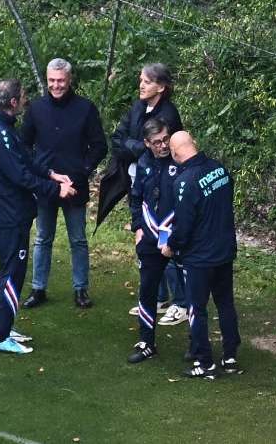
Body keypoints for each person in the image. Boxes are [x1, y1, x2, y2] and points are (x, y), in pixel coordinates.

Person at [0, 79, 76, 354]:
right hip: (9, 215)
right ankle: (1, 336)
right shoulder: (0, 134)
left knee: (9, 271)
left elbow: (24, 157)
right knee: (12, 273)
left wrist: (50, 174)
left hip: (7, 211)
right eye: (22, 96)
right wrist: (56, 190)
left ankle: (2, 327)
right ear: (13, 102)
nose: (25, 99)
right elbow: (20, 175)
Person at [20, 59, 107, 309]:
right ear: (46, 80)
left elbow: (99, 145)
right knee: (42, 238)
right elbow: (23, 145)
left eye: (60, 81)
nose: (56, 85)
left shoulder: (85, 108)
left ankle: (81, 289)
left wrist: (83, 170)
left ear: (69, 80)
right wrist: (41, 172)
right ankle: (38, 288)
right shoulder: (36, 109)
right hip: (45, 184)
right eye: (52, 80)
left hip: (75, 184)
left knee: (78, 239)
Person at [162, 131, 241, 379]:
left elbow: (183, 224)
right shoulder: (220, 169)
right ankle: (230, 356)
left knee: (197, 309)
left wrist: (171, 245)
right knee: (225, 304)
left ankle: (205, 362)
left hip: (200, 257)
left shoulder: (185, 181)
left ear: (175, 153)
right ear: (193, 143)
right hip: (224, 251)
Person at [109, 63, 185, 319]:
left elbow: (161, 150)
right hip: (139, 181)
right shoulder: (138, 107)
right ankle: (158, 296)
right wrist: (139, 148)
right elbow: (117, 139)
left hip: (163, 185)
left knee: (165, 239)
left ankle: (181, 302)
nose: (141, 85)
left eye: (147, 81)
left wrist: (136, 147)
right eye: (141, 80)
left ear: (161, 87)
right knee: (145, 238)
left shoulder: (168, 114)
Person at [127, 118, 185, 363]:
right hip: (150, 236)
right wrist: (138, 227)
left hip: (177, 235)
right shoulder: (143, 162)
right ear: (147, 143)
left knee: (193, 291)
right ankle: (146, 342)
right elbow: (136, 196)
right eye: (157, 142)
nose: (163, 145)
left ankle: (198, 346)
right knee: (147, 290)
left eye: (165, 139)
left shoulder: (179, 161)